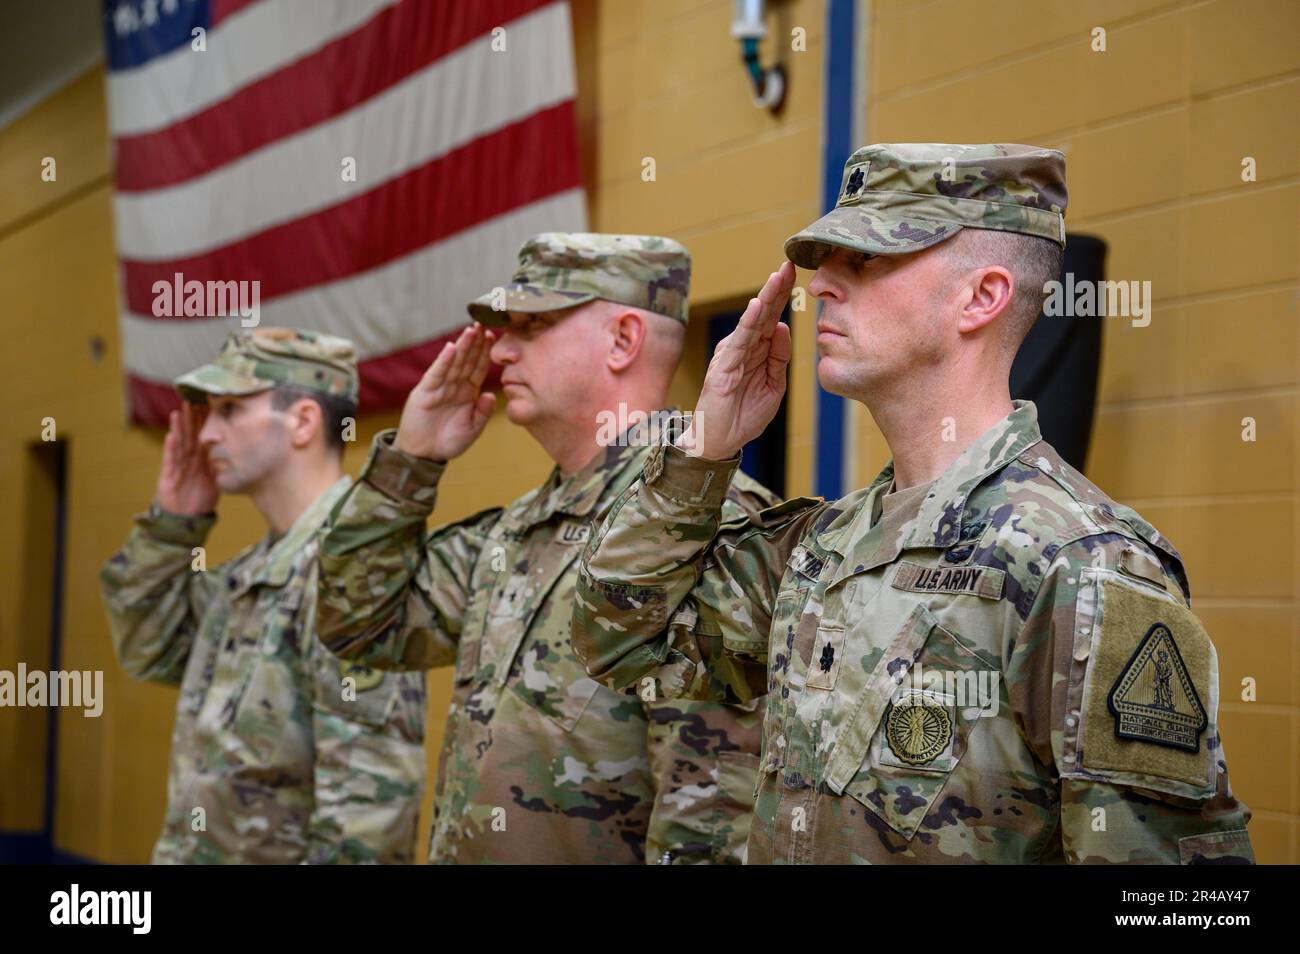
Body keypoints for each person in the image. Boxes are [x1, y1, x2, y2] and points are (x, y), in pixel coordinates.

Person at [572, 144, 1255, 864]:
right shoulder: (821, 549)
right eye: (824, 263)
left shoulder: (1083, 567)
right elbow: (617, 639)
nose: (820, 287)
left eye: (864, 261)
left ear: (981, 297)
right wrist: (705, 447)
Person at [315, 233, 778, 863]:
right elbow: (360, 623)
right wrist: (410, 463)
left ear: (623, 340)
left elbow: (710, 817)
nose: (500, 349)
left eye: (532, 326)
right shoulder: (519, 527)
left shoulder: (702, 522)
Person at [100, 328, 426, 864]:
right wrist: (173, 526)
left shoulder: (348, 577)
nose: (206, 434)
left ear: (302, 421)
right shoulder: (250, 575)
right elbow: (148, 648)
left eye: (229, 410)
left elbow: (365, 821)